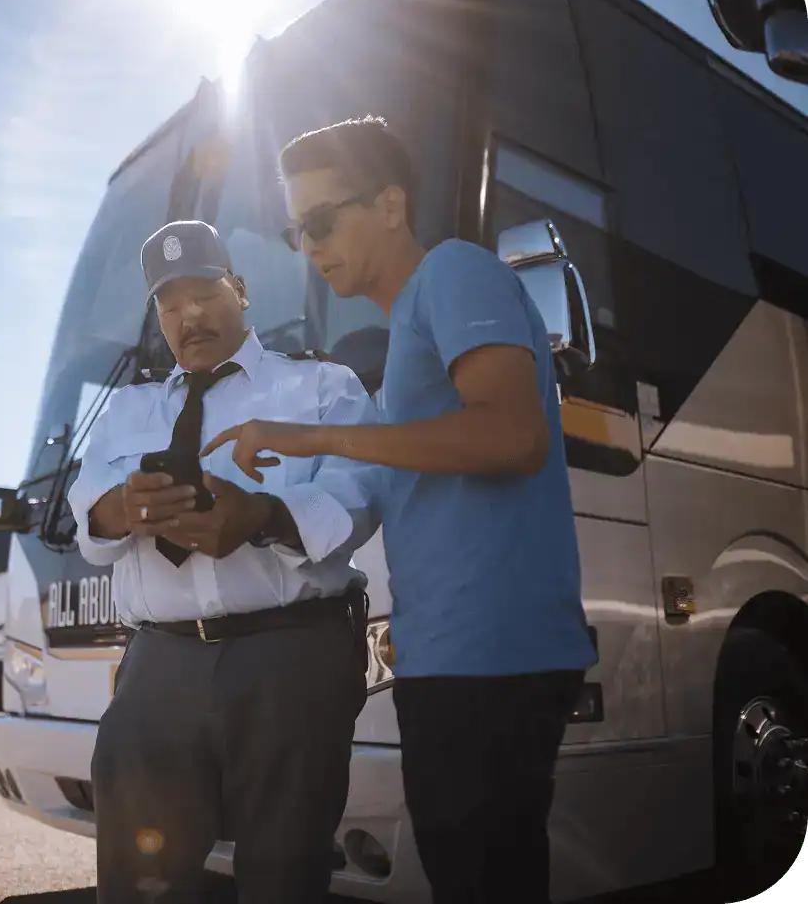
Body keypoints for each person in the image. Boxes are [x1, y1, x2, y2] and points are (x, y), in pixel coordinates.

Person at [201, 116, 599, 904]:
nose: (308, 246)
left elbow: (512, 434)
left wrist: (307, 431)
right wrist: (257, 514)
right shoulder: (404, 355)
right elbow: (382, 489)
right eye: (294, 230)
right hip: (455, 658)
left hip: (491, 656)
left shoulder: (454, 272)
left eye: (320, 220)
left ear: (389, 204)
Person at [67, 218, 386, 904]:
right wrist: (123, 506)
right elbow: (85, 507)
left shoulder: (322, 389)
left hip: (289, 660)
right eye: (170, 304)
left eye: (205, 293)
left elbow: (359, 496)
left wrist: (264, 516)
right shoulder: (127, 410)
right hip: (157, 670)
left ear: (240, 291)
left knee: (284, 876)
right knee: (139, 884)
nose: (190, 315)